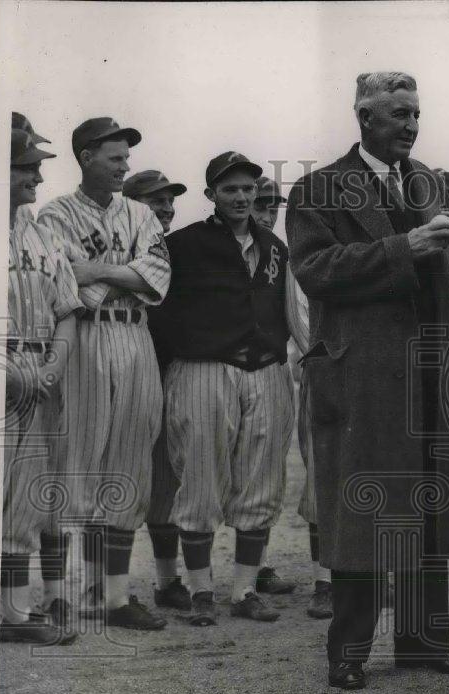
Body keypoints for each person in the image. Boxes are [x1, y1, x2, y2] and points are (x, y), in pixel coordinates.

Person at [286, 71, 449, 690]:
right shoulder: (317, 189)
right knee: (366, 512)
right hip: (365, 376)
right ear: (365, 118)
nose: (412, 125)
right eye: (399, 114)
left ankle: (424, 645)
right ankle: (347, 653)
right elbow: (316, 270)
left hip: (432, 373)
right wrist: (405, 246)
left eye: (416, 113)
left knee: (429, 506)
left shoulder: (431, 182)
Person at [150, 152, 300, 626]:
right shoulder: (181, 244)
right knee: (199, 478)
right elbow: (159, 315)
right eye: (230, 189)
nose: (240, 197)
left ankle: (244, 590)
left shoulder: (275, 247)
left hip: (266, 369)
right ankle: (199, 593)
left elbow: (286, 312)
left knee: (261, 480)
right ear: (211, 194)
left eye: (248, 188)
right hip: (203, 370)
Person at [37, 117, 171, 631]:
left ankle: (113, 598)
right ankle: (56, 595)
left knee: (129, 463)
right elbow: (65, 282)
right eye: (115, 158)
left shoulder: (141, 212)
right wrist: (123, 276)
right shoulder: (53, 215)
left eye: (127, 158)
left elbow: (156, 276)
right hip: (83, 340)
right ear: (86, 156)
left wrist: (100, 273)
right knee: (68, 463)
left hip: (135, 339)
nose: (125, 166)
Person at [0, 129, 82, 645]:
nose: (37, 175)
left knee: (23, 500)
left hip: (38, 372)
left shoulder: (43, 234)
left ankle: (11, 612)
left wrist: (51, 368)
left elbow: (68, 311)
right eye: (24, 167)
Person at [250, 174, 325, 612]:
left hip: (302, 367)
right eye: (261, 204)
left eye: (271, 206)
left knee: (321, 470)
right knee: (260, 474)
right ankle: (255, 567)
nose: (265, 213)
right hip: (262, 370)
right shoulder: (245, 253)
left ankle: (328, 578)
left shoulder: (290, 254)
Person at [121, 169, 194, 612]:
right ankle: (105, 586)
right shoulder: (121, 245)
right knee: (124, 480)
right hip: (126, 368)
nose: (166, 208)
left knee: (165, 484)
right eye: (155, 200)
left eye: (170, 201)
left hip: (171, 371)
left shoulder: (177, 249)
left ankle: (168, 581)